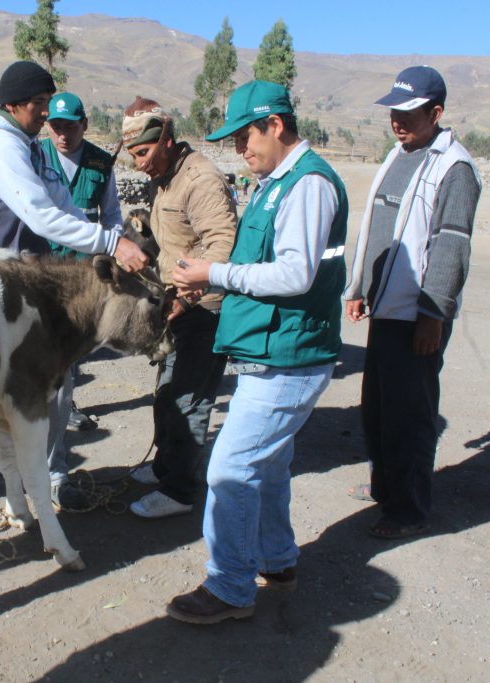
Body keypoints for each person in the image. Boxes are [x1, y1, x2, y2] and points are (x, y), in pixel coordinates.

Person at [0, 62, 149, 516]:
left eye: (49, 104)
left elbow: (63, 205)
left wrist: (105, 242)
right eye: (39, 105)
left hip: (33, 285)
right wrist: (112, 241)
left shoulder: (27, 146)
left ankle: (52, 475)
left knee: (54, 380)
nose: (46, 113)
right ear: (13, 104)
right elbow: (40, 216)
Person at [168, 80, 348, 622]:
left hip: (290, 353)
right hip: (269, 348)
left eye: (246, 136)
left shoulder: (308, 185)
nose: (240, 149)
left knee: (230, 467)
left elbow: (295, 273)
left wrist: (213, 272)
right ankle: (277, 559)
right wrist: (210, 282)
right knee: (267, 467)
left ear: (275, 125)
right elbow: (263, 262)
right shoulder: (275, 181)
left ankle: (229, 586)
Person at [344, 66, 481, 539]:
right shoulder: (399, 153)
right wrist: (359, 286)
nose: (397, 121)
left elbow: (451, 246)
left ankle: (409, 509)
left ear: (435, 112)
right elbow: (378, 229)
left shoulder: (454, 167)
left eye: (408, 113)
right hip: (387, 309)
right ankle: (387, 487)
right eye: (393, 112)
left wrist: (433, 315)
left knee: (411, 414)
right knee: (378, 407)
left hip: (416, 316)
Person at [121, 96, 237, 519]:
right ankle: (166, 467)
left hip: (204, 309)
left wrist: (185, 299)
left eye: (143, 152)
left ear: (166, 139)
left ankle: (180, 491)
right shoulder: (164, 177)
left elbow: (221, 246)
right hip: (176, 305)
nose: (138, 164)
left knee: (190, 400)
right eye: (132, 154)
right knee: (168, 393)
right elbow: (170, 237)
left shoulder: (200, 180)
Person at [41, 91, 123, 433]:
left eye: (70, 127)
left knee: (72, 340)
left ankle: (65, 403)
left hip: (81, 269)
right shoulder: (35, 156)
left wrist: (111, 249)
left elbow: (113, 215)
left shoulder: (101, 163)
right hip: (41, 265)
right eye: (55, 126)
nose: (62, 134)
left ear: (84, 126)